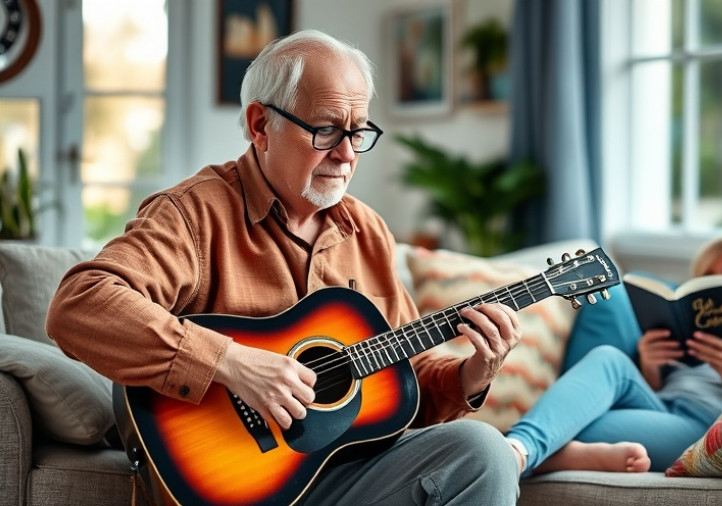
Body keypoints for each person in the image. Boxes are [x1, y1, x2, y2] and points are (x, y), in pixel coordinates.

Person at [46, 29, 523, 505]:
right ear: (260, 125)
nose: (347, 154)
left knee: (485, 451)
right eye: (327, 130)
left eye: (358, 132)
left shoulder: (369, 231)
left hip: (341, 479)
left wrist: (472, 374)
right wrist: (231, 363)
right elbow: (79, 305)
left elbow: (405, 381)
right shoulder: (193, 214)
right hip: (232, 483)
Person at [503, 232, 722, 475]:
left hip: (709, 422)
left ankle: (521, 451)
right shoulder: (692, 328)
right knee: (609, 358)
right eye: (710, 277)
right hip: (659, 406)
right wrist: (650, 367)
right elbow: (655, 390)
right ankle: (518, 450)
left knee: (561, 421)